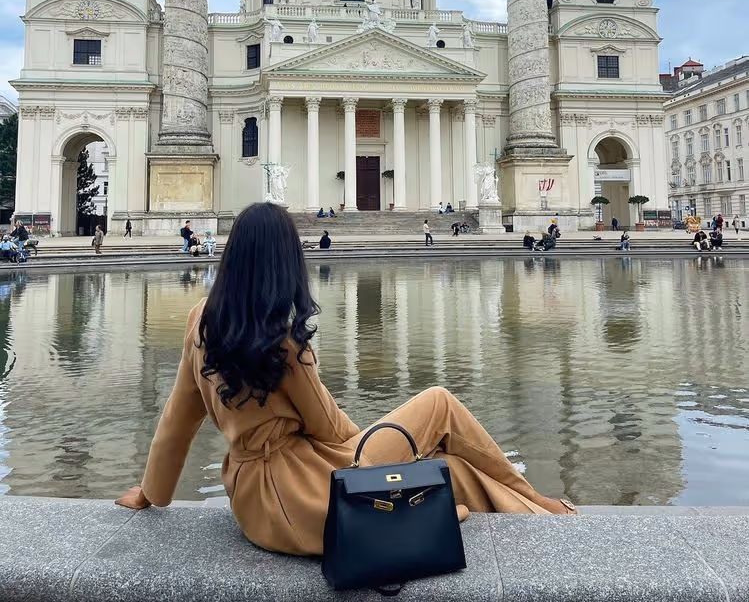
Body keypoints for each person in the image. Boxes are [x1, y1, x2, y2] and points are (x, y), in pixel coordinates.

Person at [115, 203, 576, 557]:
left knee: (450, 469)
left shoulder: (200, 322)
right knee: (438, 405)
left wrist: (150, 492)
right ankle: (532, 497)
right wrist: (393, 444)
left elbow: (178, 418)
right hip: (311, 495)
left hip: (253, 506)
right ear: (285, 262)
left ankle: (527, 510)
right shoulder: (284, 341)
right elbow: (330, 430)